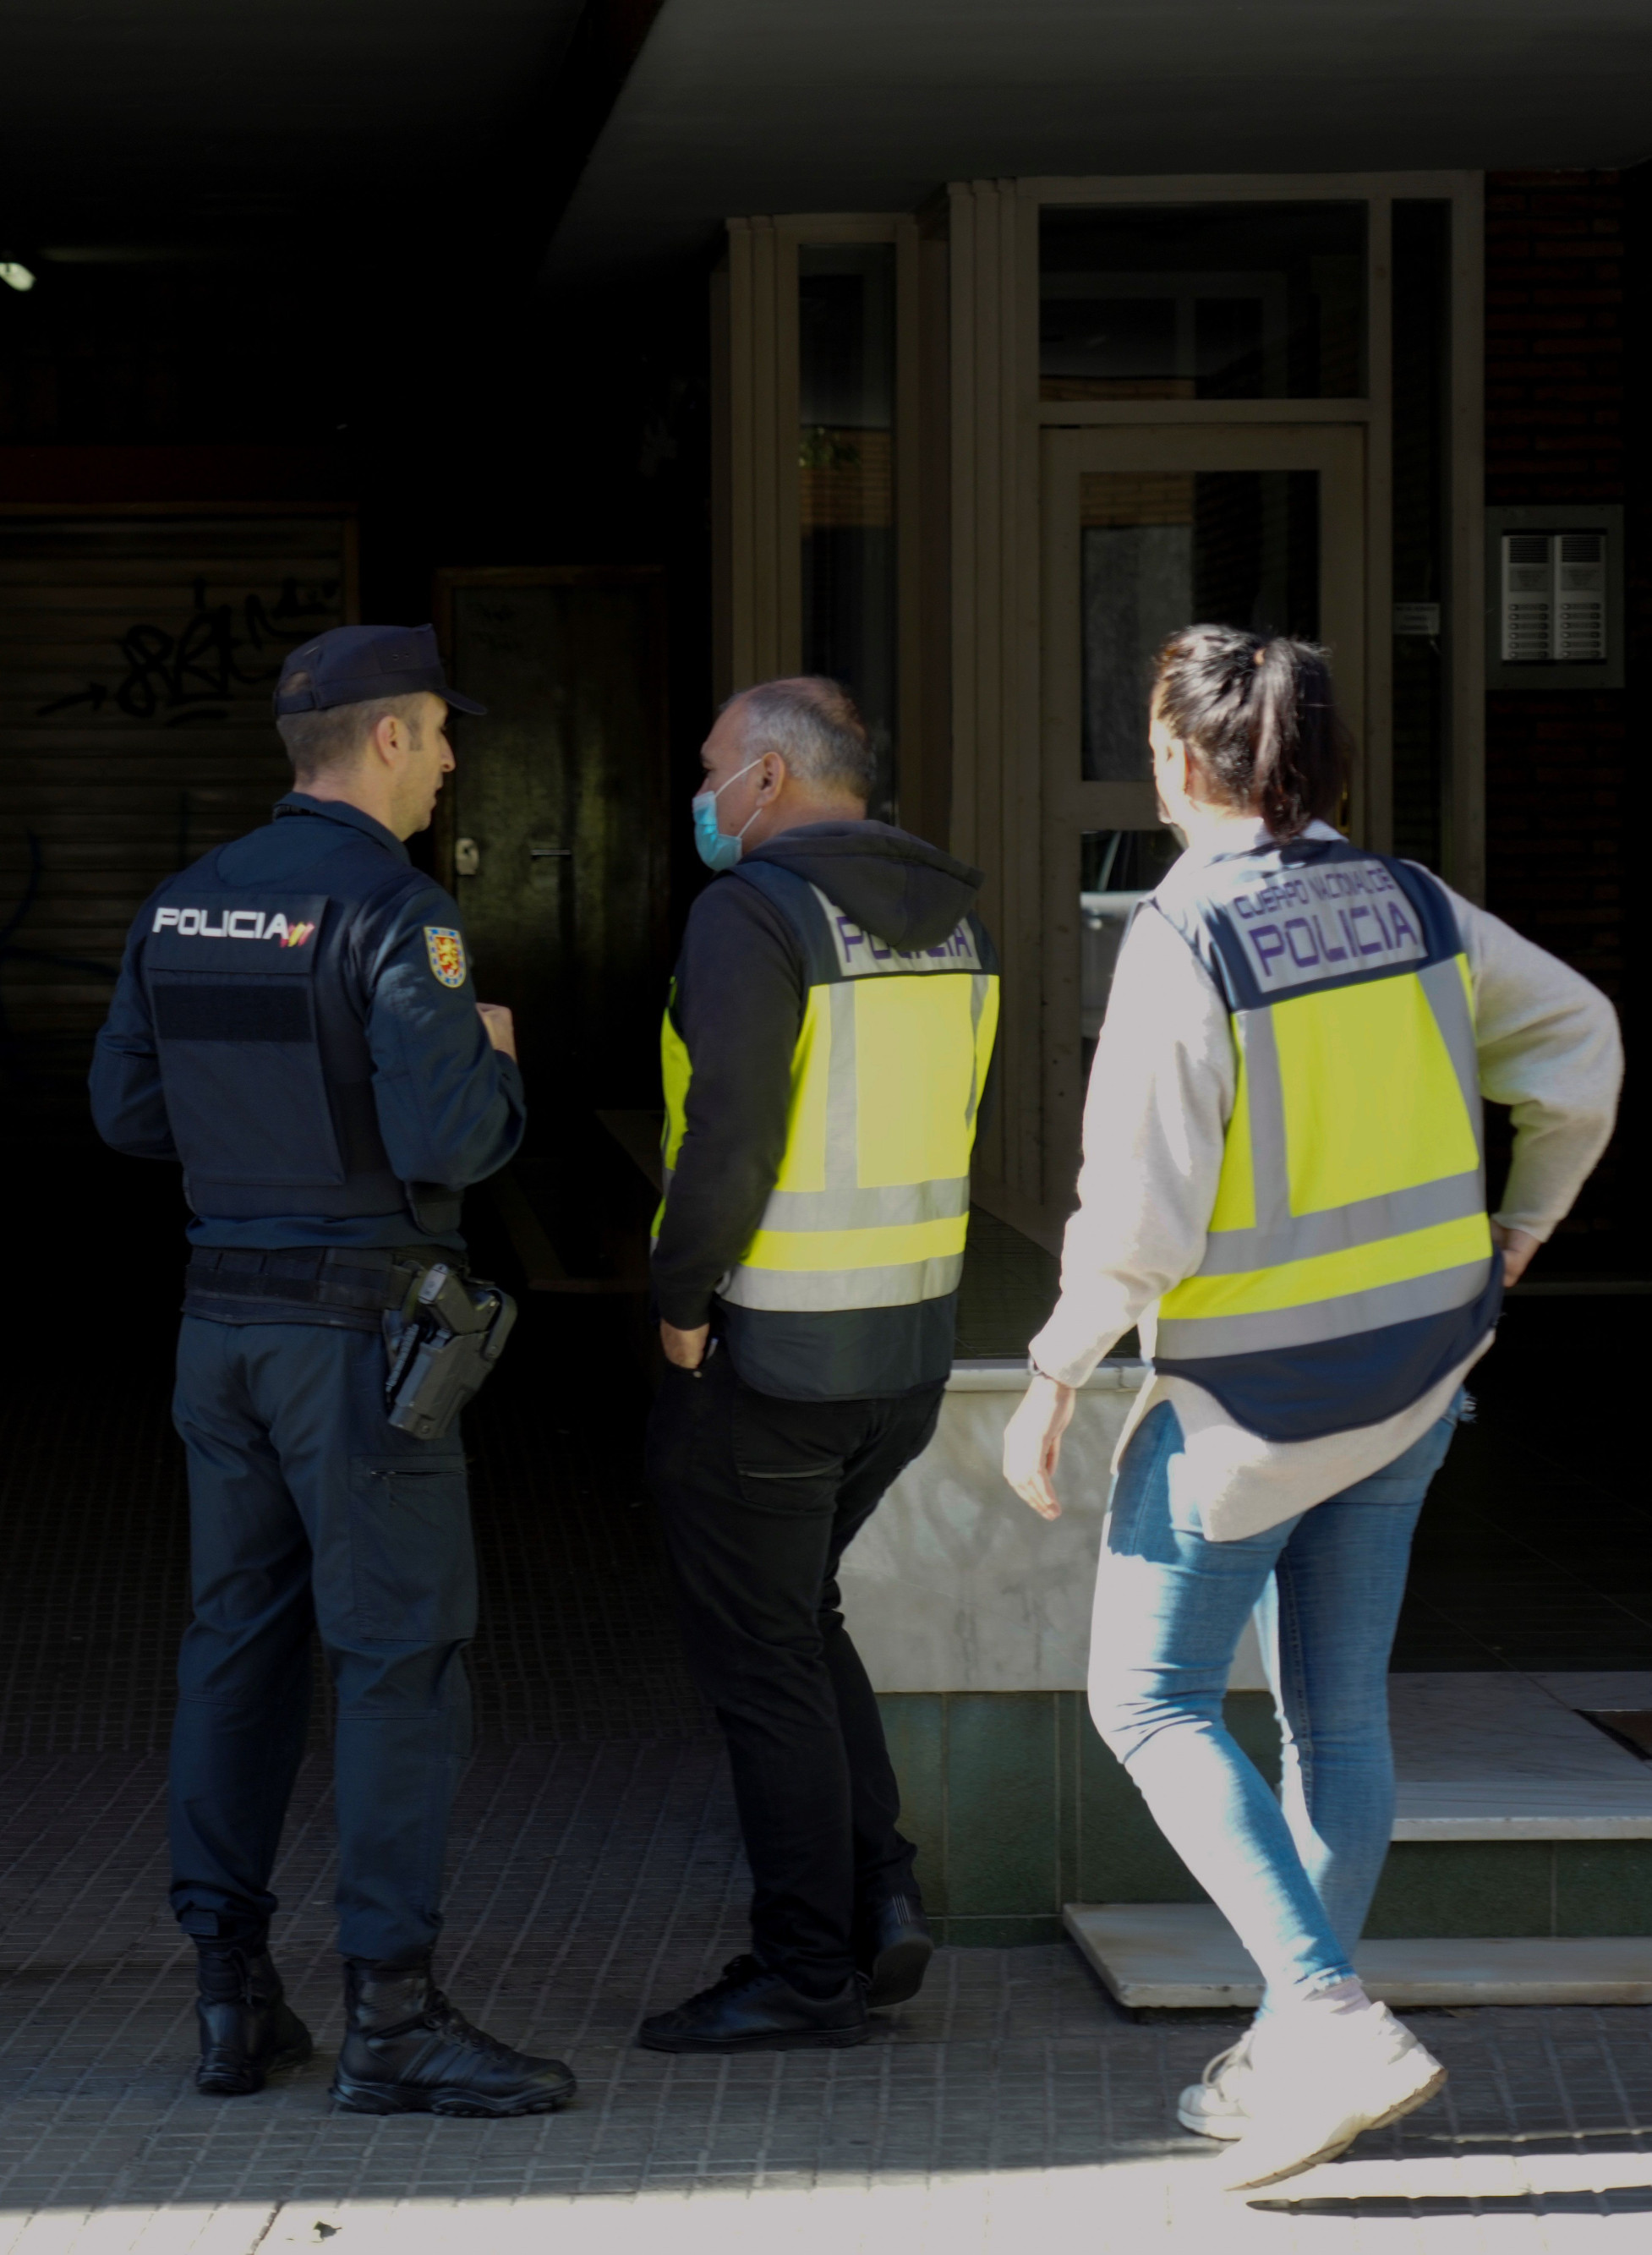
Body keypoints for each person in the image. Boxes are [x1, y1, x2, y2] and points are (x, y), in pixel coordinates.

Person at [1000, 627, 1620, 2192]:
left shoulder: (1184, 930)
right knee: (1336, 1716)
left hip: (1250, 1409)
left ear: (1176, 760)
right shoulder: (1415, 906)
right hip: (1417, 1379)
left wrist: (1060, 1365)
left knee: (1146, 1701)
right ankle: (1296, 2047)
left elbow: (1138, 1207)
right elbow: (1581, 1040)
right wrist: (1526, 1222)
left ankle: (1331, 2019)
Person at [89, 623, 573, 2118]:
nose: (445, 761)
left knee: (236, 1648)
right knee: (395, 1662)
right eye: (435, 735)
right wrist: (494, 1061)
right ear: (379, 740)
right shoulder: (396, 911)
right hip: (355, 1342)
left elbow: (125, 1111)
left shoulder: (184, 903)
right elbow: (448, 1142)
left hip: (219, 1326)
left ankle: (232, 2003)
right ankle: (393, 2018)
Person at [637, 676, 997, 2054]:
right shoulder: (950, 917)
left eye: (716, 767)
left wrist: (679, 1297)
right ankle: (879, 1895)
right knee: (801, 1622)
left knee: (761, 1661)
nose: (708, 794)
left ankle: (804, 1971)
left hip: (773, 1350)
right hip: (901, 1352)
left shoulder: (754, 912)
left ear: (774, 780)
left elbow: (727, 1127)